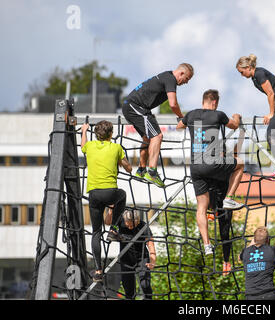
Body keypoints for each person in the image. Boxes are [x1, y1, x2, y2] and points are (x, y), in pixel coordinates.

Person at [176, 89, 244, 256]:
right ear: (214, 103)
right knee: (240, 164)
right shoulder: (218, 114)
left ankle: (207, 245)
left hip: (196, 167)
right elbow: (234, 126)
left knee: (201, 207)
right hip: (212, 163)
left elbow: (179, 127)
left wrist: (185, 120)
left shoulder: (191, 115)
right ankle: (228, 198)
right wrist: (237, 117)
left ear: (203, 101)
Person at [122, 63, 194, 188]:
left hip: (134, 107)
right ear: (181, 73)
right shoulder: (170, 79)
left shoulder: (166, 76)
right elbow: (173, 104)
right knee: (157, 136)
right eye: (186, 79)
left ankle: (141, 170)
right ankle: (152, 172)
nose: (186, 82)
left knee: (147, 137)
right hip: (136, 107)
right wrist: (182, 118)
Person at [81, 120, 132, 282]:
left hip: (94, 194)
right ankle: (114, 229)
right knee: (122, 195)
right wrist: (119, 160)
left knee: (96, 232)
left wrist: (83, 130)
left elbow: (82, 146)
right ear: (111, 134)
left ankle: (97, 270)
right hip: (110, 192)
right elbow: (129, 168)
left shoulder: (89, 146)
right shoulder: (116, 148)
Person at [236, 54, 275, 179]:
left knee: (270, 133)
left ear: (248, 67)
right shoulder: (254, 78)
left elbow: (270, 93)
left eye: (242, 72)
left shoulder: (259, 73)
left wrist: (271, 114)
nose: (241, 75)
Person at [106, 209, 156, 300]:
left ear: (137, 221)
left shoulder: (143, 226)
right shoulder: (120, 222)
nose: (130, 227)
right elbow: (108, 222)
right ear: (124, 221)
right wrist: (110, 210)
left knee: (145, 284)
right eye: (128, 224)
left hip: (141, 258)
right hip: (126, 259)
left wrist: (152, 260)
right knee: (128, 288)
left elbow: (150, 243)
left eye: (133, 225)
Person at [239, 226, 275, 300]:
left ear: (254, 239)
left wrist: (251, 244)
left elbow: (239, 258)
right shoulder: (272, 250)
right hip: (268, 295)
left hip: (250, 296)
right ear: (268, 240)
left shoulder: (245, 252)